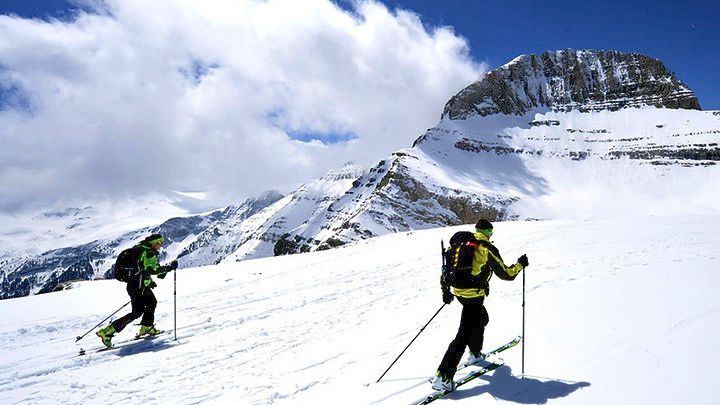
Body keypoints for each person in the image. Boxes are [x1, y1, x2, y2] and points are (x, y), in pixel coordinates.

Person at [431, 219, 528, 391]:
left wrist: (445, 292)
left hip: (458, 292)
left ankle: (475, 353)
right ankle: (444, 376)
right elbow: (506, 274)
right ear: (489, 232)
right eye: (491, 232)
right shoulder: (485, 248)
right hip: (473, 296)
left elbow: (445, 270)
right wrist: (520, 264)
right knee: (463, 335)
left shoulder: (459, 244)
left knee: (482, 318)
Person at [96, 233, 178, 348]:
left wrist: (149, 282)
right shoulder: (148, 252)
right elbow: (152, 270)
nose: (161, 245)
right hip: (139, 287)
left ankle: (111, 330)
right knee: (147, 305)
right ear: (154, 243)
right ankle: (109, 331)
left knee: (140, 310)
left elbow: (142, 270)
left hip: (134, 285)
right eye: (160, 243)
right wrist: (169, 267)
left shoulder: (140, 249)